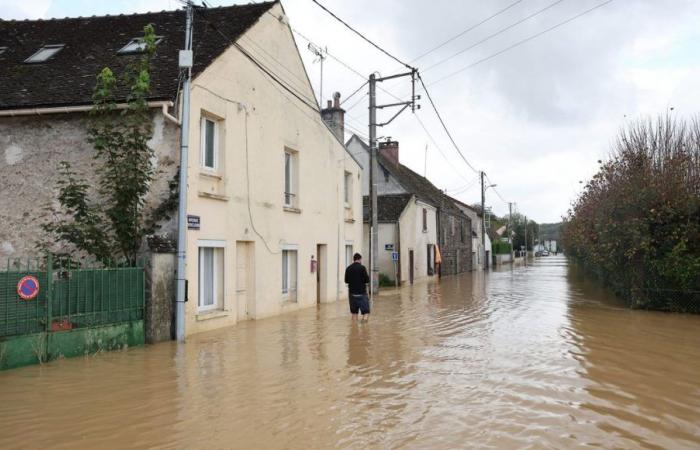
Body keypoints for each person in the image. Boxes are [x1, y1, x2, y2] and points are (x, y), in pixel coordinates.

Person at [344, 253, 370, 321]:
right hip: (362, 294)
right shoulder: (362, 268)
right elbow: (367, 280)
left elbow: (346, 281)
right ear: (360, 259)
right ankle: (364, 329)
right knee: (366, 313)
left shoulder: (348, 268)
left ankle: (354, 329)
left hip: (352, 294)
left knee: (354, 313)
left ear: (354, 259)